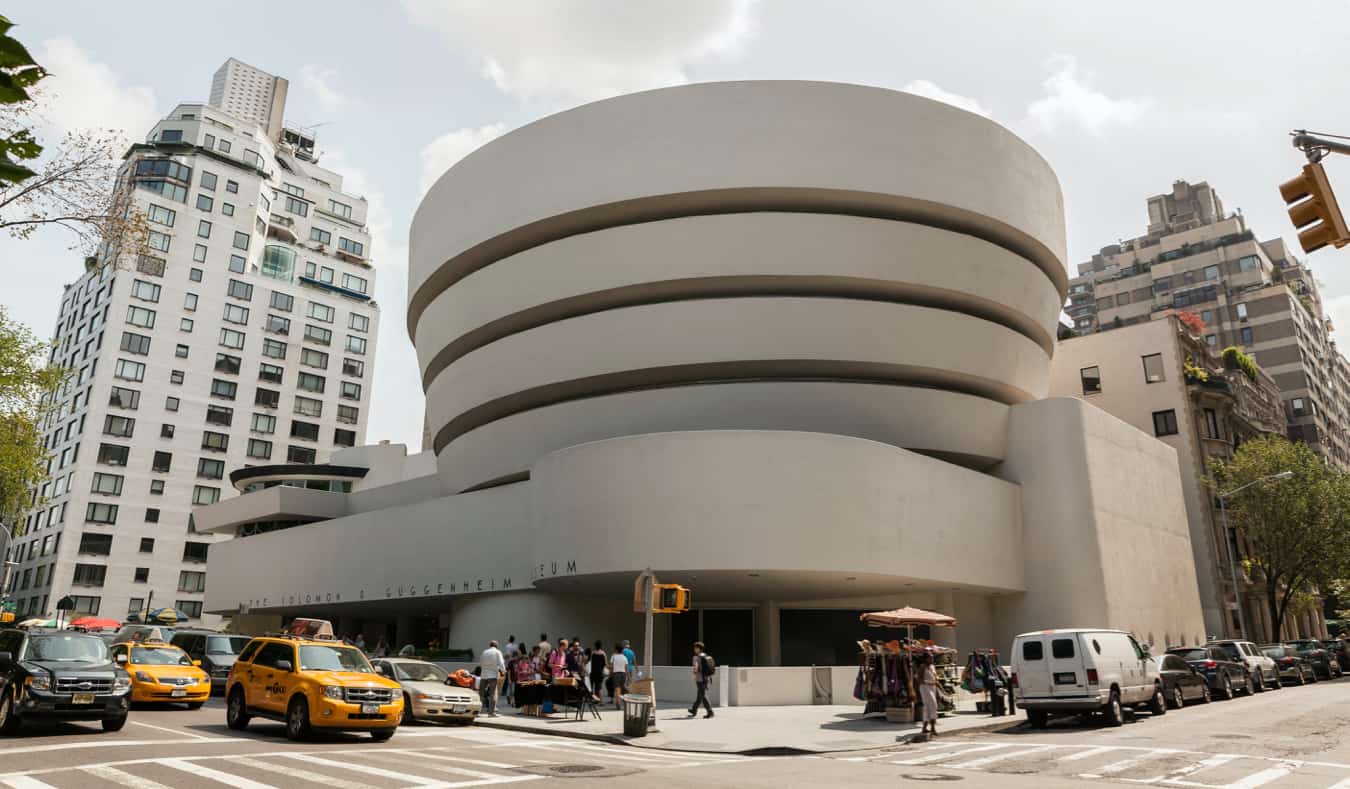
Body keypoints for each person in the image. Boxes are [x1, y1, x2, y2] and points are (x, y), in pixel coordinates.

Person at [479, 640, 506, 717]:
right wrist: (503, 671)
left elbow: (480, 663)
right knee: (493, 693)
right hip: (493, 675)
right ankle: (491, 712)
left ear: (490, 645)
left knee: (481, 694)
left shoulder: (484, 652)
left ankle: (478, 711)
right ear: (496, 646)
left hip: (483, 675)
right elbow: (501, 663)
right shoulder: (498, 652)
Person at [689, 641, 715, 718]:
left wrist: (694, 673)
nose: (694, 649)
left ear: (698, 649)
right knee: (700, 695)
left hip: (700, 679)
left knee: (703, 695)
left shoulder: (696, 657)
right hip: (706, 678)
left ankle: (710, 711)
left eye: (695, 648)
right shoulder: (706, 655)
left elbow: (696, 668)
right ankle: (694, 709)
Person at [919, 653, 939, 737]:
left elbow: (935, 676)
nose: (932, 659)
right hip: (925, 687)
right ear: (926, 659)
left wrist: (936, 680)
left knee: (928, 707)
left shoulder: (932, 667)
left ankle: (925, 727)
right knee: (933, 705)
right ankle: (932, 728)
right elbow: (919, 679)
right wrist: (931, 682)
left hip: (933, 687)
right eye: (930, 658)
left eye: (932, 658)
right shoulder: (922, 667)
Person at [609, 642, 629, 708]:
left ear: (616, 649)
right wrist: (628, 677)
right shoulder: (624, 657)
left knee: (617, 689)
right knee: (621, 687)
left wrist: (610, 674)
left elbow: (611, 667)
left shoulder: (613, 656)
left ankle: (618, 703)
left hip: (616, 674)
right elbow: (626, 668)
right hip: (623, 674)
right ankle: (625, 699)